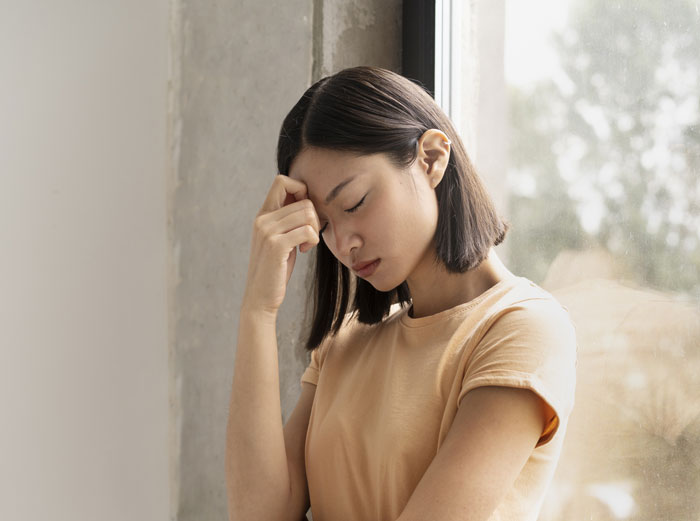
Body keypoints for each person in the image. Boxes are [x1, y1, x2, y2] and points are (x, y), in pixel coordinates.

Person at [225, 66, 577, 521]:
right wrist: (258, 310)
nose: (343, 243)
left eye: (355, 203)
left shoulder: (521, 329)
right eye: (326, 224)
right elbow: (258, 514)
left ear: (431, 158)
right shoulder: (344, 342)